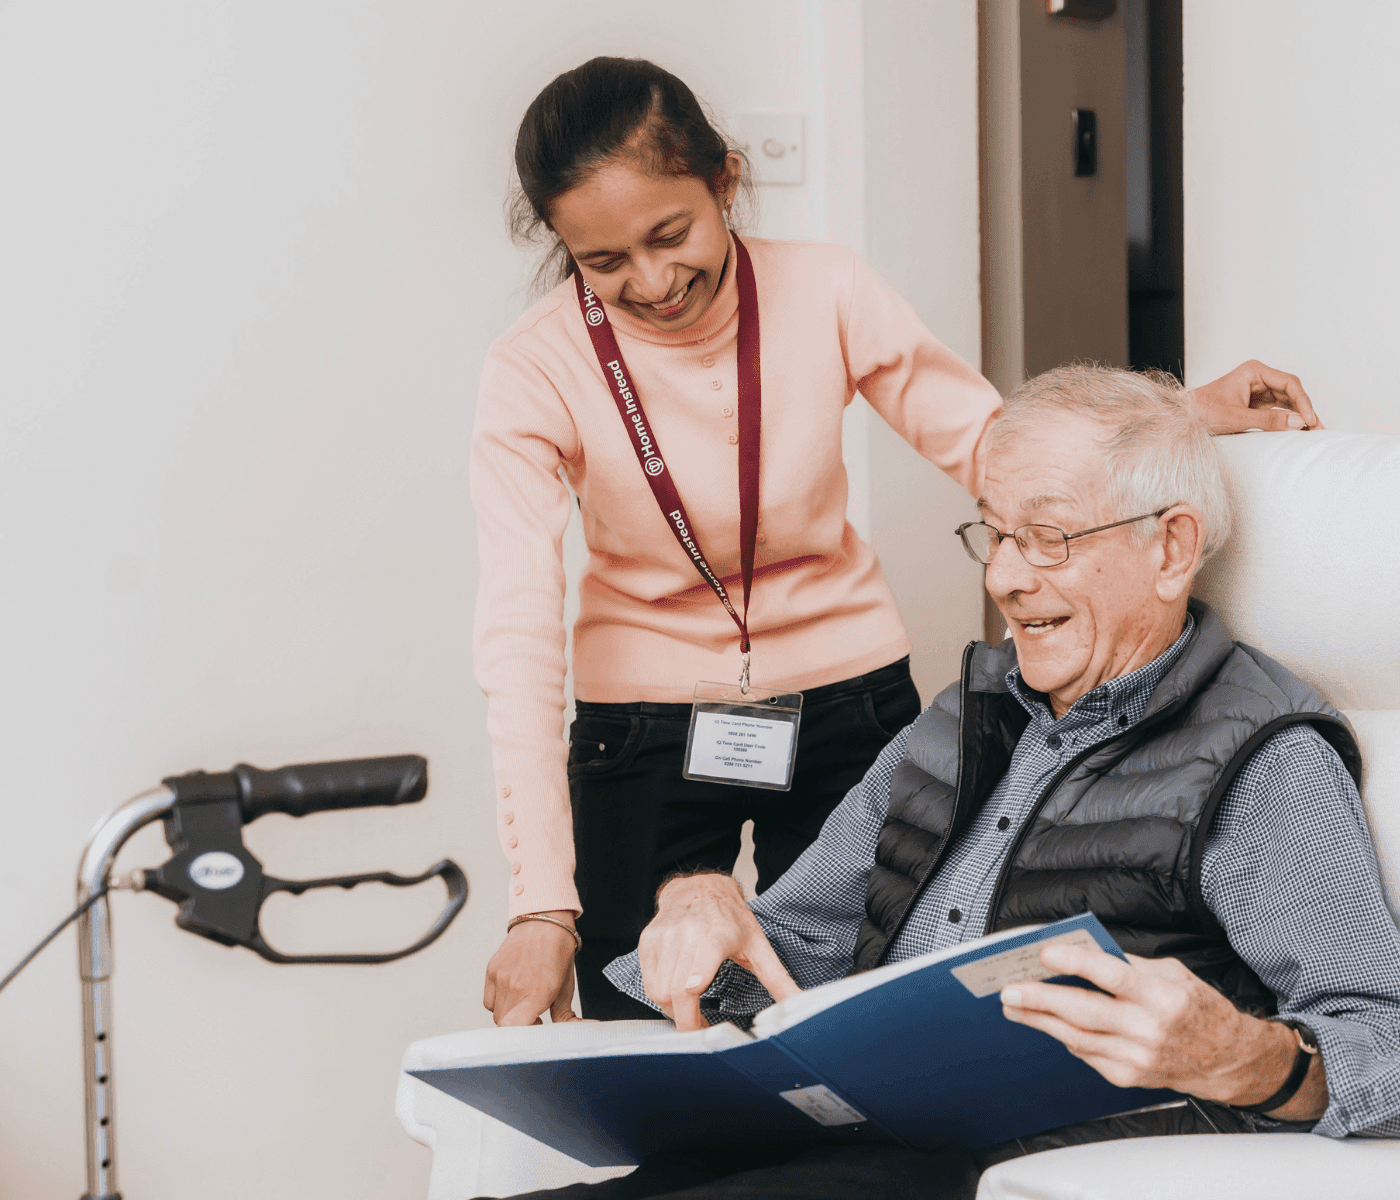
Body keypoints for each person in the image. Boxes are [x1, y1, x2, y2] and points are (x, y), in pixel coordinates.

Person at [475, 55, 1323, 1026]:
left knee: (853, 1014)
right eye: (604, 261)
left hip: (844, 699)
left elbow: (984, 440)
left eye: (670, 235)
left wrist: (1170, 414)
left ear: (724, 181)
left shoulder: (824, 288)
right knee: (648, 1022)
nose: (654, 281)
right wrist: (542, 904)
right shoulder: (531, 370)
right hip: (643, 723)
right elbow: (517, 634)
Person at [528, 365, 1400, 1200]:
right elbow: (786, 956)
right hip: (859, 1147)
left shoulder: (1266, 760)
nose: (1006, 578)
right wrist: (701, 903)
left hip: (1016, 1173)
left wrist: (1252, 1059)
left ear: (1171, 546)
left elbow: (1386, 1043)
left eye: (1049, 537)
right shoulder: (956, 721)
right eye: (995, 532)